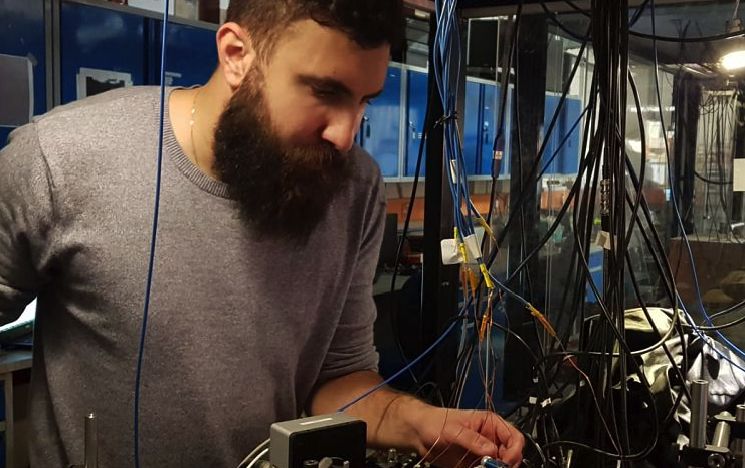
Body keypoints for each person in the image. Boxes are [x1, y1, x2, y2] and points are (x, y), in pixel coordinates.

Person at [0, 0, 525, 466]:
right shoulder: (61, 159)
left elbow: (339, 378)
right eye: (325, 91)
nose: (345, 135)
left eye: (364, 101)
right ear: (236, 54)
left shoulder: (353, 188)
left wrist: (421, 424)